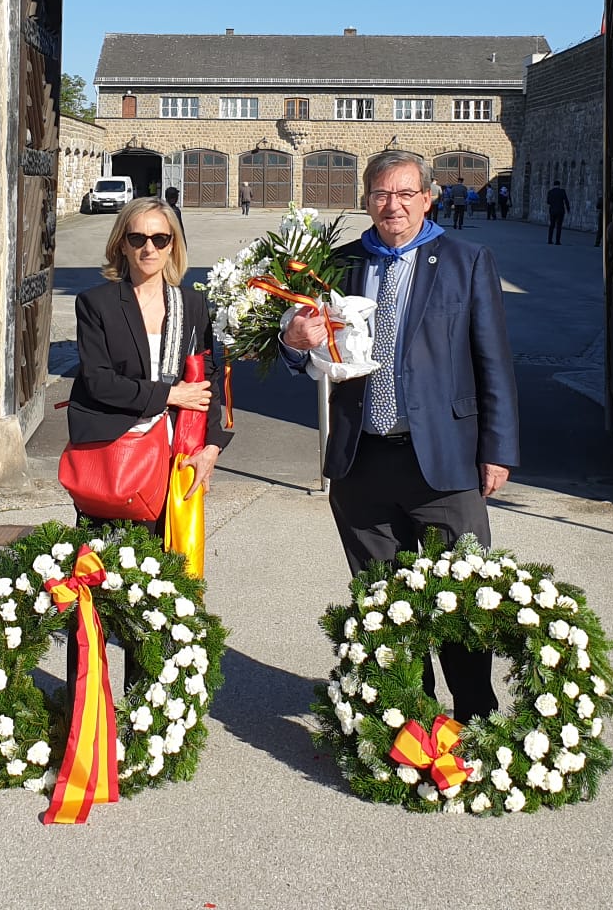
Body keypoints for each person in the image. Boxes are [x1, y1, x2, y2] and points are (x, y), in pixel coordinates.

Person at [282, 150, 517, 722]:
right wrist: (293, 339)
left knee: (459, 599)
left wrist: (498, 450)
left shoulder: (466, 260)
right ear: (366, 200)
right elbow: (307, 354)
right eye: (382, 194)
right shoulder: (335, 267)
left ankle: (474, 721)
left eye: (406, 193)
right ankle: (408, 717)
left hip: (445, 462)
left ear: (429, 197)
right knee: (384, 606)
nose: (394, 205)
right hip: (362, 461)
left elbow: (494, 362)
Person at [67, 196, 228, 511]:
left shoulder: (192, 305)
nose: (148, 248)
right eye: (137, 238)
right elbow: (99, 381)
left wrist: (211, 446)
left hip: (177, 453)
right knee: (109, 555)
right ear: (122, 245)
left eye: (160, 239)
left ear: (172, 246)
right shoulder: (96, 304)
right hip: (115, 451)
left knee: (173, 556)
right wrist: (170, 395)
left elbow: (207, 379)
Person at [545, 179, 570, 245]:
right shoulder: (562, 191)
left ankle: (549, 240)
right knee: (559, 226)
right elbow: (566, 201)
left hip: (552, 210)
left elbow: (548, 202)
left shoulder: (550, 192)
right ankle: (557, 241)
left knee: (552, 225)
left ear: (554, 185)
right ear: (559, 185)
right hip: (560, 210)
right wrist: (568, 209)